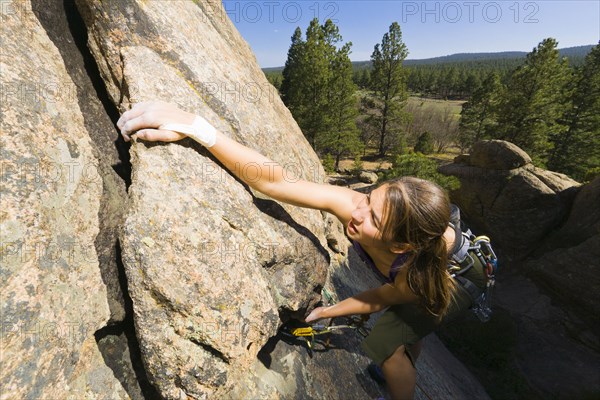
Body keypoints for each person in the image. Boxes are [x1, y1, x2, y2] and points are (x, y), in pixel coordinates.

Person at [117, 101, 486, 400]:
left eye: (372, 217)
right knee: (406, 331)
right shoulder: (359, 208)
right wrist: (198, 128)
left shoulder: (415, 275)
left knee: (387, 345)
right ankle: (407, 356)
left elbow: (379, 298)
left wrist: (330, 310)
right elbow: (275, 182)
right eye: (368, 199)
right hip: (412, 271)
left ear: (402, 244)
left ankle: (400, 384)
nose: (355, 212)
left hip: (457, 280)